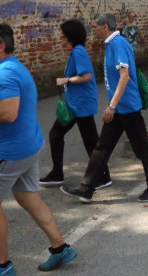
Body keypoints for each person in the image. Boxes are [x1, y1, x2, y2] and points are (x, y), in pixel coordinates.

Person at [0, 23, 76, 276]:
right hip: (28, 143)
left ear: (1, 46)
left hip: (12, 150)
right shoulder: (9, 67)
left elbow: (8, 113)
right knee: (27, 196)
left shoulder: (3, 74)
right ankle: (60, 248)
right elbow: (9, 107)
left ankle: (1, 266)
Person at [61, 13, 148, 203]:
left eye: (95, 27)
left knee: (142, 148)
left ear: (105, 27)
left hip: (127, 107)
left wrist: (112, 105)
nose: (93, 30)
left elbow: (124, 76)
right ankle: (86, 189)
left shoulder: (117, 44)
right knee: (102, 148)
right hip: (119, 109)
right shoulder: (112, 44)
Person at [39, 19, 111, 188]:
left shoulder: (78, 52)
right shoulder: (76, 51)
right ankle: (57, 174)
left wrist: (66, 80)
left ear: (69, 35)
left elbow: (86, 76)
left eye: (63, 33)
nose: (61, 36)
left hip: (82, 105)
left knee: (90, 142)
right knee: (56, 135)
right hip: (75, 105)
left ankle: (103, 177)